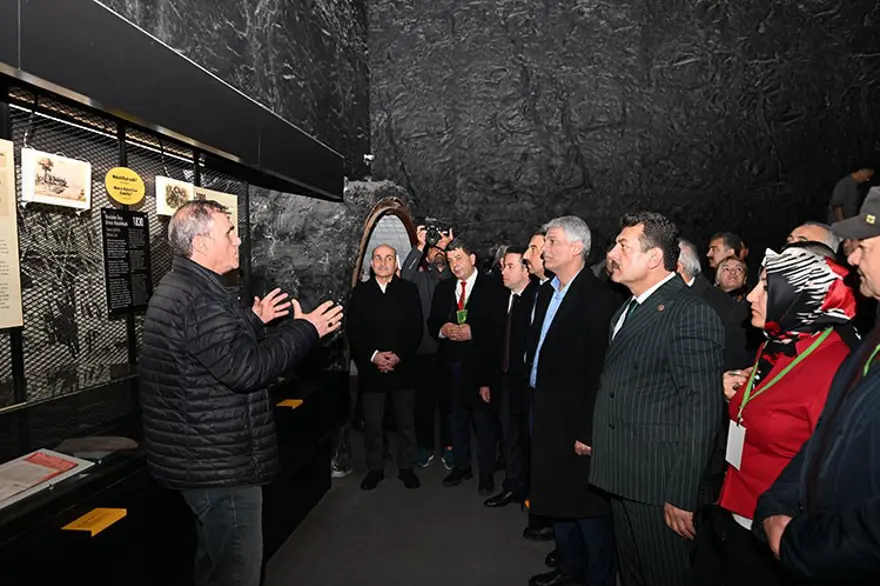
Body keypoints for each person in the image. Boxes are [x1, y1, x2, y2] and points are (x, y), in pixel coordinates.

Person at [139, 200, 342, 586]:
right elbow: (248, 370)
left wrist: (253, 320)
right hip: (219, 465)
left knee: (214, 565)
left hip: (202, 458)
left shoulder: (186, 288)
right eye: (229, 232)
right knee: (237, 571)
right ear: (201, 244)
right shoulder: (199, 299)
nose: (237, 240)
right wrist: (306, 330)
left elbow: (212, 348)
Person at [692, 243, 856, 586]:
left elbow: (833, 476)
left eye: (766, 287)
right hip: (736, 512)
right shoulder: (776, 343)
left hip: (776, 533)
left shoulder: (834, 368)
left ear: (799, 297)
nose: (751, 296)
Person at [749, 203, 880, 585]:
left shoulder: (839, 350)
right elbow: (826, 436)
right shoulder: (869, 344)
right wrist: (776, 505)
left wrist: (800, 542)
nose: (850, 258)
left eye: (864, 246)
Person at [591, 212, 724, 586]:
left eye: (623, 246)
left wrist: (682, 494)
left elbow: (701, 409)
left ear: (653, 258)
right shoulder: (629, 307)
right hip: (624, 473)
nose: (612, 253)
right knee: (634, 574)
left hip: (658, 484)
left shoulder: (689, 313)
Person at [526, 216, 621, 586]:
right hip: (546, 411)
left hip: (575, 422)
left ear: (577, 248)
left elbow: (599, 372)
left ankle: (598, 577)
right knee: (555, 497)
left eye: (552, 241)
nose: (544, 249)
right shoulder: (548, 291)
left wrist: (588, 430)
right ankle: (569, 569)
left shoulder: (598, 300)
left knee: (586, 508)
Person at [428, 238, 506, 494]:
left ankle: (486, 473)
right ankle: (462, 466)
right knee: (455, 419)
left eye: (459, 258)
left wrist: (474, 331)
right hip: (450, 367)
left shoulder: (493, 287)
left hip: (481, 368)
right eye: (450, 261)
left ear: (472, 259)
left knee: (484, 424)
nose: (454, 265)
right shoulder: (443, 288)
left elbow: (499, 328)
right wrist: (444, 328)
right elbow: (432, 322)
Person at [346, 244, 424, 491]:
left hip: (403, 368)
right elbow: (353, 330)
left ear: (395, 262)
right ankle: (375, 468)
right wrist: (374, 356)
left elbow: (416, 328)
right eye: (378, 258)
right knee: (373, 424)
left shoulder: (409, 290)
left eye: (388, 258)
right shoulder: (360, 292)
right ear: (371, 263)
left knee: (406, 423)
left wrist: (398, 355)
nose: (383, 263)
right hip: (371, 370)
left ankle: (407, 467)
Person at [483, 247, 537, 508]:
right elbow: (491, 343)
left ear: (526, 270)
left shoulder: (536, 300)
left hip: (527, 384)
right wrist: (486, 380)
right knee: (509, 436)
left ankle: (531, 491)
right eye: (503, 266)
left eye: (510, 266)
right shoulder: (502, 298)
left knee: (529, 439)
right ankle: (513, 486)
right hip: (503, 380)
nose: (503, 271)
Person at [400, 225, 455, 469]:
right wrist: (420, 246)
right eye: (433, 250)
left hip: (450, 352)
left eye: (440, 248)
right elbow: (405, 277)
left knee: (449, 404)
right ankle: (425, 446)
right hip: (424, 351)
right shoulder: (421, 278)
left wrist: (448, 247)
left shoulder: (454, 277)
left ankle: (449, 446)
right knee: (423, 405)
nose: (437, 252)